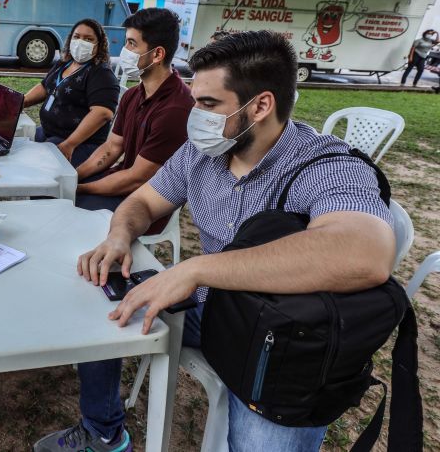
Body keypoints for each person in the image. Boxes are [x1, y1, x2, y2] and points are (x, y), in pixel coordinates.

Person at [34, 31, 395, 452]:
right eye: (194, 101)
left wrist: (196, 270)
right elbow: (141, 203)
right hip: (210, 308)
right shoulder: (202, 152)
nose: (195, 116)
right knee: (97, 304)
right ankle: (103, 432)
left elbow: (364, 252)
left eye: (208, 105)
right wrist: (119, 236)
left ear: (261, 105)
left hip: (279, 339)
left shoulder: (324, 164)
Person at [74, 8, 193, 235]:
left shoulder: (176, 109)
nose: (125, 51)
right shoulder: (132, 95)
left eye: (131, 44)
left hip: (143, 206)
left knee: (68, 210)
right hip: (120, 186)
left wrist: (78, 189)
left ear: (157, 54)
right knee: (57, 197)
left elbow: (136, 179)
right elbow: (112, 147)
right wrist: (73, 176)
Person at [22, 19, 119, 167]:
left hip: (77, 143)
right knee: (19, 147)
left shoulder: (101, 73)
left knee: (31, 164)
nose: (81, 42)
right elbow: (45, 87)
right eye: (77, 36)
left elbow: (103, 113)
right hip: (49, 132)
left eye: (88, 39)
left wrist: (70, 144)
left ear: (98, 45)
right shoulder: (64, 63)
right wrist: (20, 102)